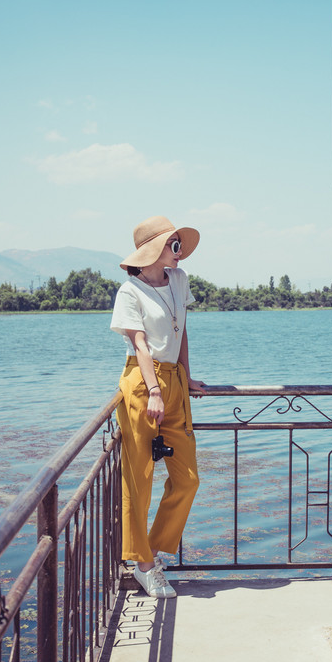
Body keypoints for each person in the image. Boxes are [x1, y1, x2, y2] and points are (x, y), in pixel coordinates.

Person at [110, 215, 207, 599]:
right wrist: (153, 389)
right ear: (153, 250)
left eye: (179, 245)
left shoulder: (180, 282)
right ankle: (147, 567)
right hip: (141, 383)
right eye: (174, 245)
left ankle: (146, 554)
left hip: (174, 383)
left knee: (188, 478)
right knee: (139, 479)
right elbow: (141, 345)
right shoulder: (129, 292)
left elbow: (181, 331)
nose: (180, 252)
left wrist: (186, 375)